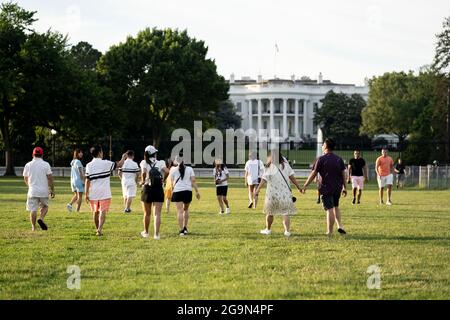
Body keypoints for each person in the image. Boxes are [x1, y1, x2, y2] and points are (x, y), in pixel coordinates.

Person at [301, 139, 347, 236]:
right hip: (337, 188)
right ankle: (340, 226)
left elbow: (314, 173)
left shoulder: (321, 159)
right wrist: (345, 187)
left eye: (323, 145)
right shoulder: (339, 159)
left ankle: (329, 231)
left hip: (326, 188)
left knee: (329, 209)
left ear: (325, 146)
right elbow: (343, 174)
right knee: (336, 206)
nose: (321, 146)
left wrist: (305, 185)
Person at [254, 152, 302, 237]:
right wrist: (298, 187)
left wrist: (258, 189)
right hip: (285, 193)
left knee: (270, 212)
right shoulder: (286, 166)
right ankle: (287, 231)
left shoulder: (270, 167)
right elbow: (292, 178)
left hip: (272, 193)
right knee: (285, 213)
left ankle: (268, 229)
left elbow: (264, 180)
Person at [85, 146, 127, 236]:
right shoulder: (106, 163)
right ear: (100, 153)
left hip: (93, 192)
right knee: (102, 211)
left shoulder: (89, 165)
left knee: (95, 212)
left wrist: (86, 193)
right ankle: (99, 229)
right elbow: (119, 165)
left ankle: (97, 229)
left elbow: (87, 180)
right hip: (104, 192)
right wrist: (123, 157)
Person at [140, 145, 169, 240]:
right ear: (154, 153)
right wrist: (163, 180)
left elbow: (143, 172)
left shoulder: (144, 162)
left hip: (147, 188)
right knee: (157, 214)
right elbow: (167, 171)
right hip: (158, 189)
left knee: (147, 213)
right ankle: (156, 234)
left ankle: (146, 232)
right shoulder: (161, 162)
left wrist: (143, 181)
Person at [23, 147, 55, 231]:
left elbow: (25, 178)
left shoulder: (28, 165)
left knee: (33, 210)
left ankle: (33, 227)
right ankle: (41, 218)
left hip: (32, 191)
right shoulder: (46, 164)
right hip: (43, 191)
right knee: (45, 206)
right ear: (42, 155)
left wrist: (29, 186)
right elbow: (50, 178)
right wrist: (52, 190)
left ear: (33, 155)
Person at [171, 156, 201, 236]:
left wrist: (171, 192)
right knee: (186, 210)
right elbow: (193, 181)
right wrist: (197, 191)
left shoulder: (173, 169)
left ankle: (181, 231)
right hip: (187, 191)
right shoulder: (190, 169)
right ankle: (185, 228)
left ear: (176, 161)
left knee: (180, 211)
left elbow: (172, 183)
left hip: (177, 192)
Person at [67, 149, 85, 213]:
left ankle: (69, 204)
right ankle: (77, 211)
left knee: (76, 195)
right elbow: (80, 173)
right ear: (77, 153)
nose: (82, 153)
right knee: (80, 196)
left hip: (73, 181)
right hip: (78, 181)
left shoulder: (73, 161)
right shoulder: (78, 162)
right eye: (80, 152)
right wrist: (83, 181)